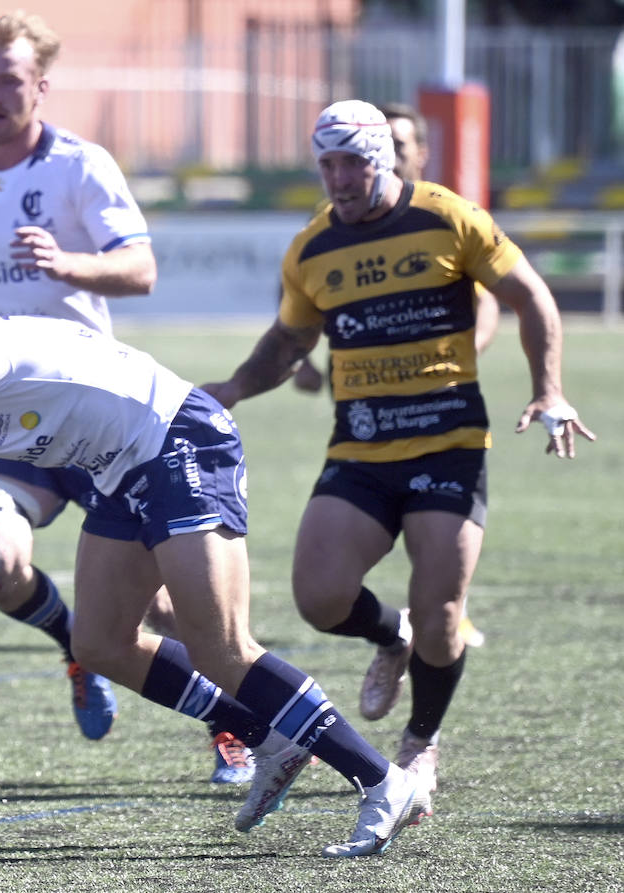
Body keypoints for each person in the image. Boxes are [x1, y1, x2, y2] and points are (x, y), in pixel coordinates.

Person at [0, 298, 434, 858]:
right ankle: (271, 737)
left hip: (179, 438)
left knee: (220, 645)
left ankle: (383, 779)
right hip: (121, 469)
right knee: (98, 641)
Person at [202, 100, 595, 795]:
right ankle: (391, 636)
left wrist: (549, 388)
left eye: (352, 161)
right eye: (327, 163)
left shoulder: (448, 218)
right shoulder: (313, 247)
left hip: (448, 447)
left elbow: (530, 297)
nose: (339, 177)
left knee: (445, 611)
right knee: (319, 598)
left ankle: (421, 741)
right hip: (359, 448)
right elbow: (290, 342)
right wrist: (233, 387)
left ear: (383, 157)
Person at [0, 10, 245, 774]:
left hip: (93, 413)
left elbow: (140, 268)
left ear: (41, 87)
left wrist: (68, 265)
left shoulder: (80, 167)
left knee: (166, 605)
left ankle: (231, 721)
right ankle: (77, 647)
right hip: (1, 416)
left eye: (10, 80)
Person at [380, 100, 497, 648]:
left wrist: (461, 352)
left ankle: (446, 609)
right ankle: (396, 627)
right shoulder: (345, 218)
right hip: (366, 405)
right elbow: (298, 298)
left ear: (421, 155)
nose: (388, 159)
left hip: (437, 401)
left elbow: (489, 298)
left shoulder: (442, 217)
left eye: (398, 148)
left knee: (435, 519)